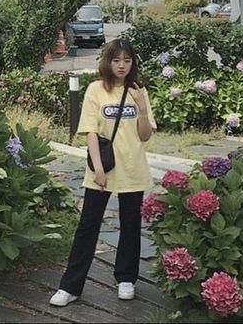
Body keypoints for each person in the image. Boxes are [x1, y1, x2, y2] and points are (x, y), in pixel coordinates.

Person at [50, 38, 156, 307]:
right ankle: (71, 286)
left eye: (127, 60)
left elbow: (145, 136)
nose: (121, 65)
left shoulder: (138, 90)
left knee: (131, 225)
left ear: (133, 63)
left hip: (132, 168)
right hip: (102, 170)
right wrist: (97, 168)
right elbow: (91, 132)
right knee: (88, 227)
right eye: (116, 59)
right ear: (108, 61)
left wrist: (142, 107)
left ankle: (126, 279)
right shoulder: (96, 90)